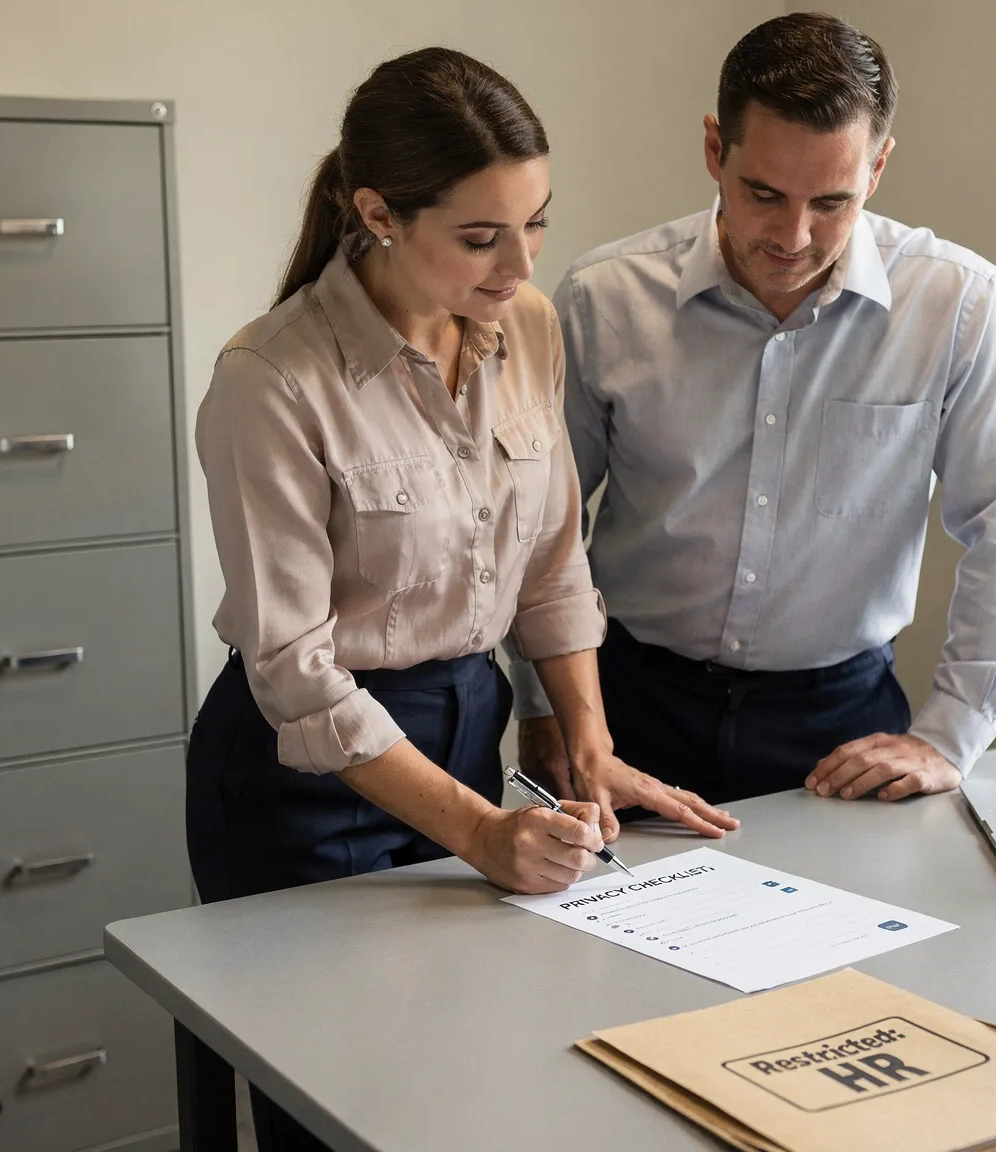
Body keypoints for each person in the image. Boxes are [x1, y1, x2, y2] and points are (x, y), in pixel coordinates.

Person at [188, 47, 736, 1152]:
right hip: (304, 774)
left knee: (457, 1088)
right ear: (378, 212)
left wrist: (587, 746)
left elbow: (549, 563)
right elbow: (294, 671)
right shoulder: (271, 380)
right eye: (481, 237)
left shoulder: (525, 323)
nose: (519, 262)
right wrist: (482, 834)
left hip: (464, 724)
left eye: (535, 223)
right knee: (337, 1111)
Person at [513, 13, 996, 810]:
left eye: (832, 201)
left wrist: (954, 731)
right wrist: (542, 708)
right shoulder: (606, 299)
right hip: (626, 708)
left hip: (841, 725)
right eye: (762, 194)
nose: (794, 236)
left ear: (878, 168)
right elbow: (540, 530)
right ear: (715, 149)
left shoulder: (958, 306)